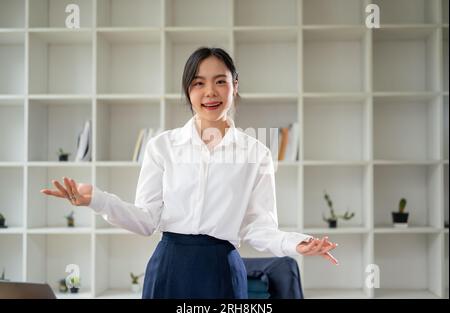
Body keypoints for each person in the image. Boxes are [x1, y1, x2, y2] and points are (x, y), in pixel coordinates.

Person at [41, 47, 339, 299]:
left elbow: (258, 229)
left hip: (223, 273)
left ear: (235, 85)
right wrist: (97, 199)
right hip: (169, 270)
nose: (210, 92)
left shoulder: (255, 154)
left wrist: (296, 243)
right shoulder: (163, 147)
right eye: (198, 83)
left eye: (220, 81)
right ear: (188, 90)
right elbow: (146, 220)